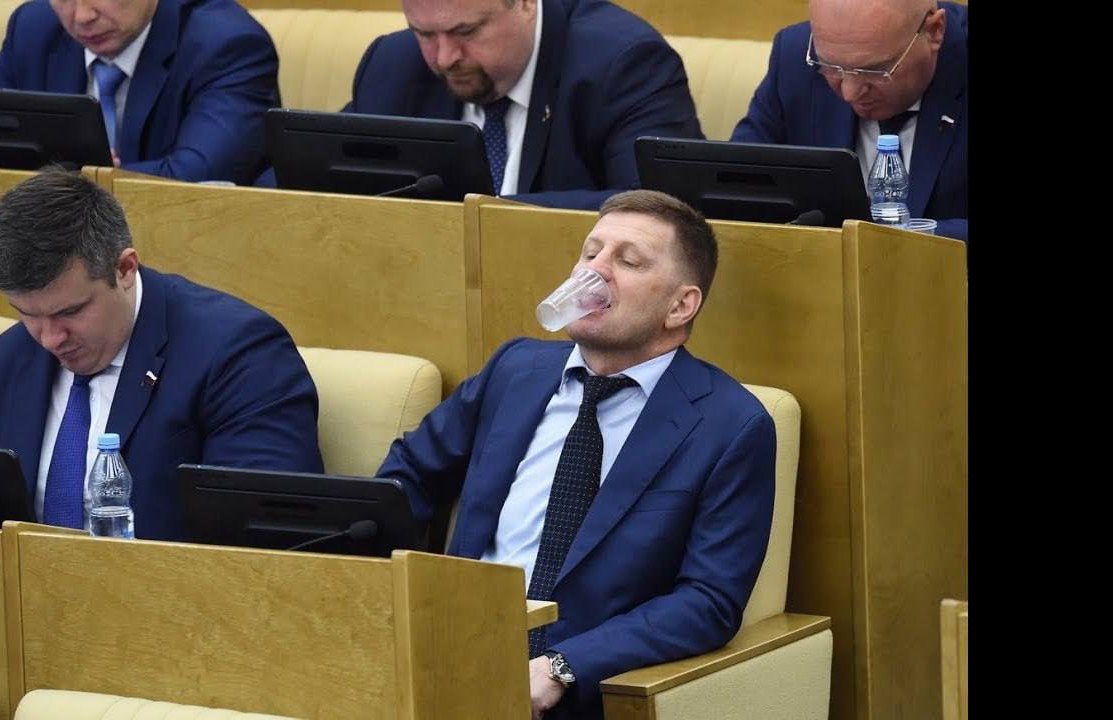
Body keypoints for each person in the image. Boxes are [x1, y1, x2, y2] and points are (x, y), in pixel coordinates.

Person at [376, 189, 776, 719]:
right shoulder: (516, 369)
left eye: (628, 261)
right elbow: (407, 476)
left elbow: (708, 601)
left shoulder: (731, 424)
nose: (595, 271)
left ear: (681, 306)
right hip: (447, 658)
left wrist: (563, 667)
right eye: (590, 252)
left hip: (582, 692)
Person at [0, 169, 323, 541]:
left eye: (70, 312)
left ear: (125, 269)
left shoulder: (239, 355)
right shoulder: (3, 363)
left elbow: (261, 539)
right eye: (28, 314)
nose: (49, 339)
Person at [335, 0, 703, 209]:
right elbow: (326, 181)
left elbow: (660, 208)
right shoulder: (393, 64)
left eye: (466, 31)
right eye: (424, 34)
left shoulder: (622, 64)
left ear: (526, 4)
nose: (445, 58)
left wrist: (483, 215)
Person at [732, 0, 967, 240]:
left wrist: (899, 237)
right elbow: (736, 187)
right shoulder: (794, 56)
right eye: (831, 67)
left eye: (875, 70)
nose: (849, 93)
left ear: (934, 31)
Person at [0, 0, 282, 185]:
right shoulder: (33, 27)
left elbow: (197, 177)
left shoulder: (228, 44)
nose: (82, 15)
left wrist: (88, 175)